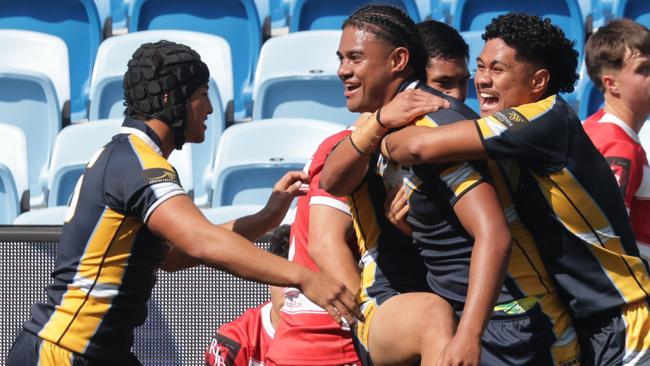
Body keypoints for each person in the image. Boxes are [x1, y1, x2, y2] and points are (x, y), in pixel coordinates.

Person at [6, 40, 359, 366]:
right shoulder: (140, 165)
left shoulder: (126, 156)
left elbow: (172, 257)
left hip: (90, 351)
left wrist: (266, 218)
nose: (208, 108)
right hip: (66, 352)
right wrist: (303, 277)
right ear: (168, 101)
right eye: (201, 95)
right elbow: (202, 242)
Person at [377, 12, 650, 366]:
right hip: (586, 320)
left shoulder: (545, 119)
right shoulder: (513, 137)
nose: (482, 81)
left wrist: (379, 128)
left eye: (498, 69)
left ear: (537, 81)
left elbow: (416, 148)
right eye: (480, 66)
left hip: (624, 316)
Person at [324, 15, 579, 365]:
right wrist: (379, 125)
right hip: (420, 306)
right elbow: (331, 180)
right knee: (433, 315)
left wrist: (468, 336)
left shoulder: (433, 128)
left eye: (355, 58)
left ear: (398, 60)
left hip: (513, 320)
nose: (343, 70)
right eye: (342, 59)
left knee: (433, 316)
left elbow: (493, 232)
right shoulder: (371, 128)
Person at [264, 126, 362, 366]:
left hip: (313, 342)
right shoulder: (347, 147)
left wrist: (267, 216)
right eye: (443, 85)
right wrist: (371, 325)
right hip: (330, 344)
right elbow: (200, 245)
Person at [583, 19, 650, 251]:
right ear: (611, 84)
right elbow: (605, 241)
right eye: (644, 69)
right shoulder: (618, 146)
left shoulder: (596, 128)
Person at [204, 225, 291, 366]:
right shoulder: (233, 342)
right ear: (269, 279)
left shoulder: (333, 331)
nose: (291, 293)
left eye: (302, 285)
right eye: (285, 282)